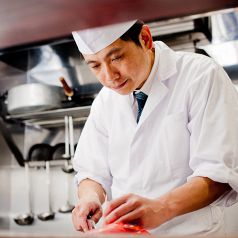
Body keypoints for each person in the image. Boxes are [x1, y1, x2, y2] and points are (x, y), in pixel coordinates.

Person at [71, 19, 238, 236]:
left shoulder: (200, 75)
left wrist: (161, 208)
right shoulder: (105, 100)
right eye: (95, 65)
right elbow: (92, 171)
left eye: (117, 57)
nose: (109, 76)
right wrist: (90, 197)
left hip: (193, 233)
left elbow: (219, 173)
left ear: (145, 39)